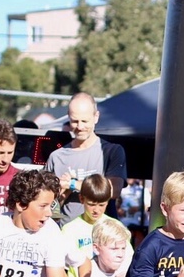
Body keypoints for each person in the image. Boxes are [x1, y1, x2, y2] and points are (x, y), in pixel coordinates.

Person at [46, 92, 127, 223]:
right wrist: (63, 195)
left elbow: (114, 190)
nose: (80, 127)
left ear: (96, 117)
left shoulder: (111, 151)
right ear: (68, 117)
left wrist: (73, 184)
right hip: (67, 235)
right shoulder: (56, 157)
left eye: (85, 121)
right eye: (75, 121)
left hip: (101, 236)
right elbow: (50, 208)